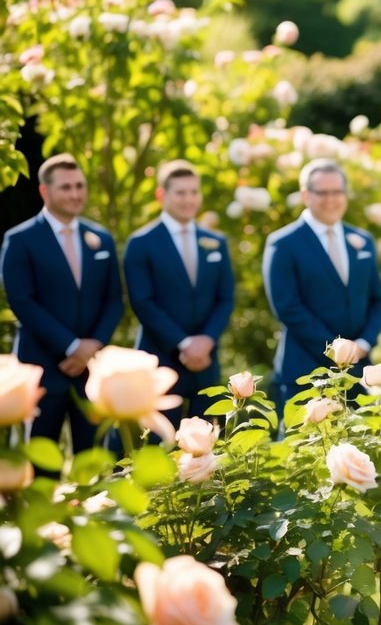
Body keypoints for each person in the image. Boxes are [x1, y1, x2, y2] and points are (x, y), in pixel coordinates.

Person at [0, 154, 123, 453]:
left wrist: (91, 346)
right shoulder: (20, 240)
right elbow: (22, 302)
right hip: (41, 367)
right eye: (66, 187)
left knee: (94, 463)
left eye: (80, 186)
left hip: (90, 371)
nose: (75, 194)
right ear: (45, 191)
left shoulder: (101, 239)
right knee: (39, 465)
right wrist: (71, 346)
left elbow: (114, 300)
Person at [263, 159, 381, 421]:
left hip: (357, 370)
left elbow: (377, 301)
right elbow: (287, 307)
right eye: (323, 192)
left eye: (337, 192)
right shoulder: (283, 244)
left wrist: (362, 345)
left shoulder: (362, 240)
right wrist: (336, 350)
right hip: (305, 369)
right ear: (306, 195)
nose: (332, 199)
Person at [123, 160, 235, 428]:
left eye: (194, 192)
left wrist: (206, 340)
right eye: (181, 193)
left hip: (206, 361)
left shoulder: (215, 242)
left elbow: (226, 297)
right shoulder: (141, 243)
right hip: (160, 357)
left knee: (207, 446)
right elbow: (142, 301)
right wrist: (184, 344)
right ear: (162, 194)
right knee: (157, 444)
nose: (189, 199)